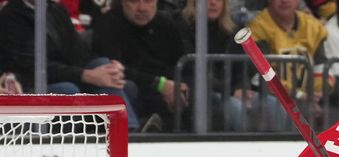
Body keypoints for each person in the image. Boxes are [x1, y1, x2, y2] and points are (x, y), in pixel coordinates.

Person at [0, 0, 140, 129]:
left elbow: (80, 54)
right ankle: (89, 137)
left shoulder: (56, 10)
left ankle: (128, 132)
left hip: (66, 74)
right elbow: (29, 67)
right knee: (68, 90)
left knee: (103, 65)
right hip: (27, 83)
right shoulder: (9, 16)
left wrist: (111, 68)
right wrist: (86, 75)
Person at [92, 0, 188, 132]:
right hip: (137, 89)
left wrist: (180, 86)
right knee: (128, 87)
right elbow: (112, 70)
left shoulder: (167, 24)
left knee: (202, 95)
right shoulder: (108, 24)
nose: (142, 8)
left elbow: (184, 65)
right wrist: (159, 84)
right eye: (134, 1)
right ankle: (135, 133)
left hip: (168, 91)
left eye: (148, 1)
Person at [245, 0, 329, 130]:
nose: (284, 1)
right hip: (270, 97)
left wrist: (317, 91)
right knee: (277, 108)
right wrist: (301, 95)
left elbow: (321, 68)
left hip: (308, 98)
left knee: (336, 109)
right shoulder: (257, 28)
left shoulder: (313, 27)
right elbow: (264, 77)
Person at [173, 0, 245, 131]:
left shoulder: (233, 30)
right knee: (236, 108)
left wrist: (241, 87)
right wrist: (231, 92)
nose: (213, 3)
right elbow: (194, 70)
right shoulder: (182, 26)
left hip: (229, 92)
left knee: (272, 104)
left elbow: (242, 68)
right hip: (202, 94)